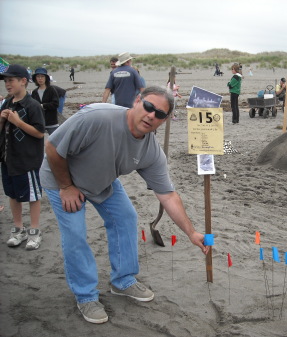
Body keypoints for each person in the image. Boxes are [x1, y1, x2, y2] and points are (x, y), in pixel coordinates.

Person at [40, 86, 208, 324]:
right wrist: (66, 186)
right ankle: (86, 295)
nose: (151, 115)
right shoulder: (96, 117)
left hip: (102, 180)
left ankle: (123, 280)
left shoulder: (151, 151)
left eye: (160, 114)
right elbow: (53, 149)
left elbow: (168, 195)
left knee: (126, 218)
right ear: (137, 101)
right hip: (62, 178)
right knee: (76, 233)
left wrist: (191, 233)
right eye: (149, 107)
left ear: (165, 120)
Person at [0, 64, 45, 250]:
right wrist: (2, 120)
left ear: (23, 81)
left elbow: (40, 132)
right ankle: (19, 228)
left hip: (26, 160)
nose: (7, 84)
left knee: (32, 195)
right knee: (13, 195)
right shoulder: (7, 103)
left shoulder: (32, 104)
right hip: (7, 158)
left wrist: (18, 122)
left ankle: (35, 230)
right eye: (5, 81)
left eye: (11, 80)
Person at [31, 68, 60, 134]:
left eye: (42, 76)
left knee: (54, 142)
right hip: (39, 122)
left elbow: (56, 104)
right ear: (35, 78)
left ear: (46, 78)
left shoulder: (51, 89)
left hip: (51, 122)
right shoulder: (34, 92)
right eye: (38, 76)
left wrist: (43, 105)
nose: (40, 78)